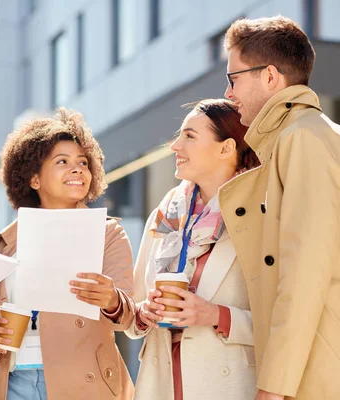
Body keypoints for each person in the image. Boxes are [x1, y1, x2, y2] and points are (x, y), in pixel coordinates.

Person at [0, 108, 135, 400]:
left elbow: (129, 318)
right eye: (62, 161)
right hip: (16, 384)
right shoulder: (7, 241)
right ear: (33, 179)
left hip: (85, 382)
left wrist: (111, 299)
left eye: (83, 163)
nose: (77, 169)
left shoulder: (106, 233)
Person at [219, 16, 340, 400]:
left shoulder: (302, 137)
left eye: (234, 78)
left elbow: (305, 268)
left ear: (270, 77)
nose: (228, 92)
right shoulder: (306, 134)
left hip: (314, 373)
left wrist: (274, 385)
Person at [126, 99, 261, 400]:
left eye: (189, 136)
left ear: (226, 148)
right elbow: (134, 312)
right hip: (160, 385)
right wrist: (144, 312)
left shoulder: (260, 212)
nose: (175, 145)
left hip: (229, 386)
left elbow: (285, 320)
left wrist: (215, 315)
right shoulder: (167, 212)